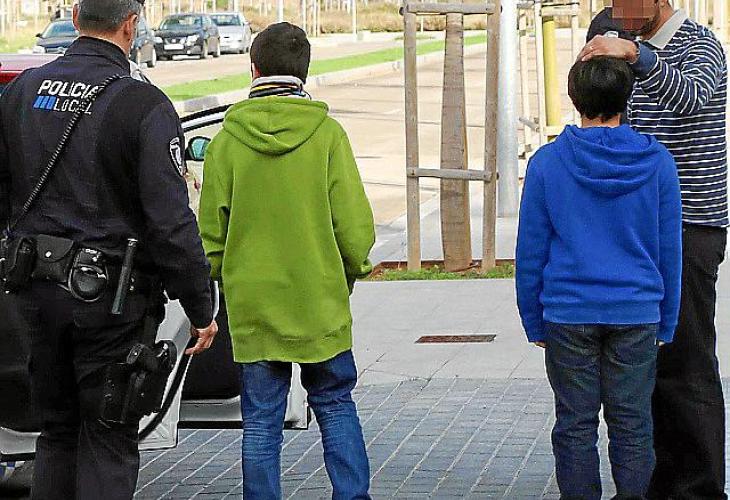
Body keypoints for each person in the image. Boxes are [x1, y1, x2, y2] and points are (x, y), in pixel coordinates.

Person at [0, 0, 219, 498]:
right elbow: (171, 222)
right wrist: (200, 306)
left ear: (76, 18)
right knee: (108, 438)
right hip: (109, 305)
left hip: (34, 296)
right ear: (130, 25)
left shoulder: (21, 93)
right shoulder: (143, 105)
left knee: (56, 434)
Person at [198, 22, 375, 500]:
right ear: (305, 72)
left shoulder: (227, 142)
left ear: (253, 68)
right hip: (320, 301)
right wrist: (348, 273)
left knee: (261, 422)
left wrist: (219, 280)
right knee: (335, 404)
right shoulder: (328, 136)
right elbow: (355, 230)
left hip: (255, 307)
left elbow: (210, 237)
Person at [516, 56, 683, 500]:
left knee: (574, 423)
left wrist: (533, 319)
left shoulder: (548, 163)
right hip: (637, 310)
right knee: (633, 423)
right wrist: (667, 320)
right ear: (627, 98)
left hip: (568, 311)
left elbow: (531, 249)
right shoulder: (658, 163)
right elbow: (670, 250)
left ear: (574, 98)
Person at [582, 2, 729, 498]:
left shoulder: (700, 44)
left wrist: (636, 56)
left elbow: (690, 97)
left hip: (689, 228)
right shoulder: (628, 43)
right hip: (637, 230)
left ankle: (701, 489)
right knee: (646, 365)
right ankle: (659, 483)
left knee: (687, 363)